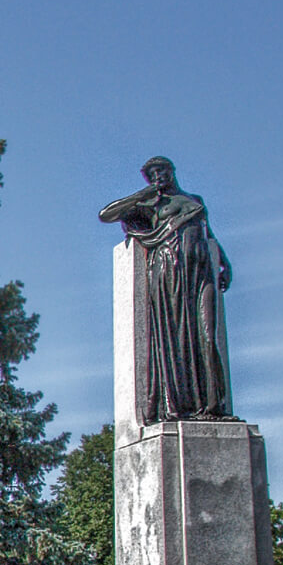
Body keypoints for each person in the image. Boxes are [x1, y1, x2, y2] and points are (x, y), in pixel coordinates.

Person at [98, 156, 234, 422]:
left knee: (207, 334)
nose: (158, 176)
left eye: (161, 170)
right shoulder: (153, 204)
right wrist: (143, 194)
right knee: (176, 336)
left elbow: (209, 235)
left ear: (172, 171)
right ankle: (181, 405)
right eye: (152, 174)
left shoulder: (195, 200)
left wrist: (225, 263)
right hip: (170, 270)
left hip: (201, 272)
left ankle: (213, 406)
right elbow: (106, 215)